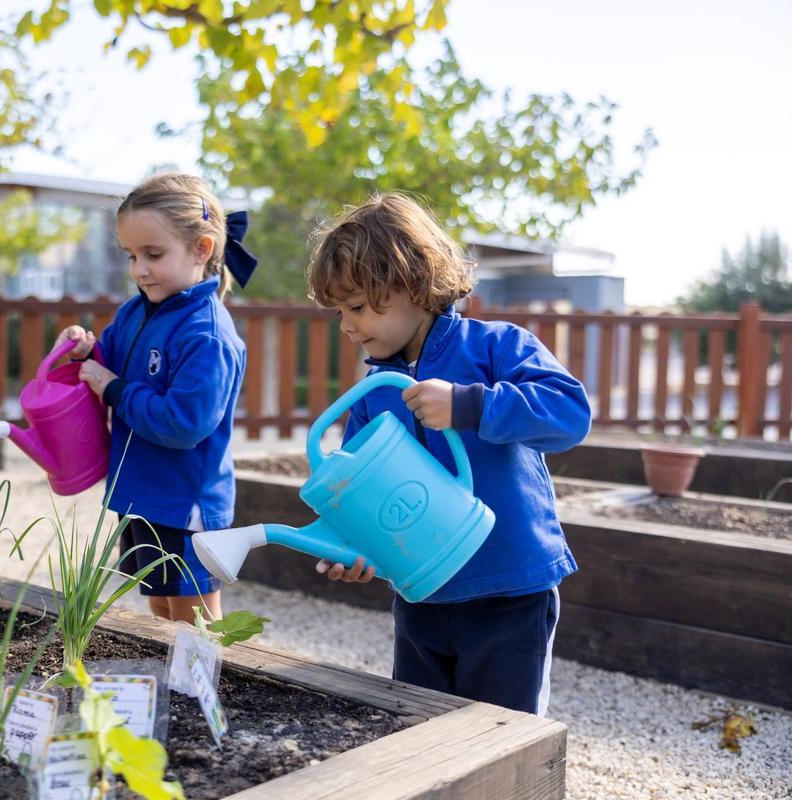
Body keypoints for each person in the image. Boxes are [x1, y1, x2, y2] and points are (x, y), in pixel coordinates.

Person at [307, 193, 591, 715]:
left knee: (502, 736)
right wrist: (351, 546)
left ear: (412, 284)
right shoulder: (374, 394)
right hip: (422, 594)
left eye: (358, 307)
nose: (346, 325)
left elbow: (570, 414)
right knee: (420, 730)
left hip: (509, 589)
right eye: (339, 311)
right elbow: (356, 490)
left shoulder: (496, 347)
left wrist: (470, 405)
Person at [55, 173, 257, 624]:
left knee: (196, 615)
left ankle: (206, 695)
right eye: (131, 256)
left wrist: (114, 387)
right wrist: (90, 353)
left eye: (153, 254)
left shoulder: (207, 333)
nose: (139, 269)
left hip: (186, 503)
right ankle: (175, 692)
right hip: (143, 494)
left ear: (202, 249)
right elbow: (116, 360)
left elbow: (184, 423)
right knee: (161, 607)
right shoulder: (137, 310)